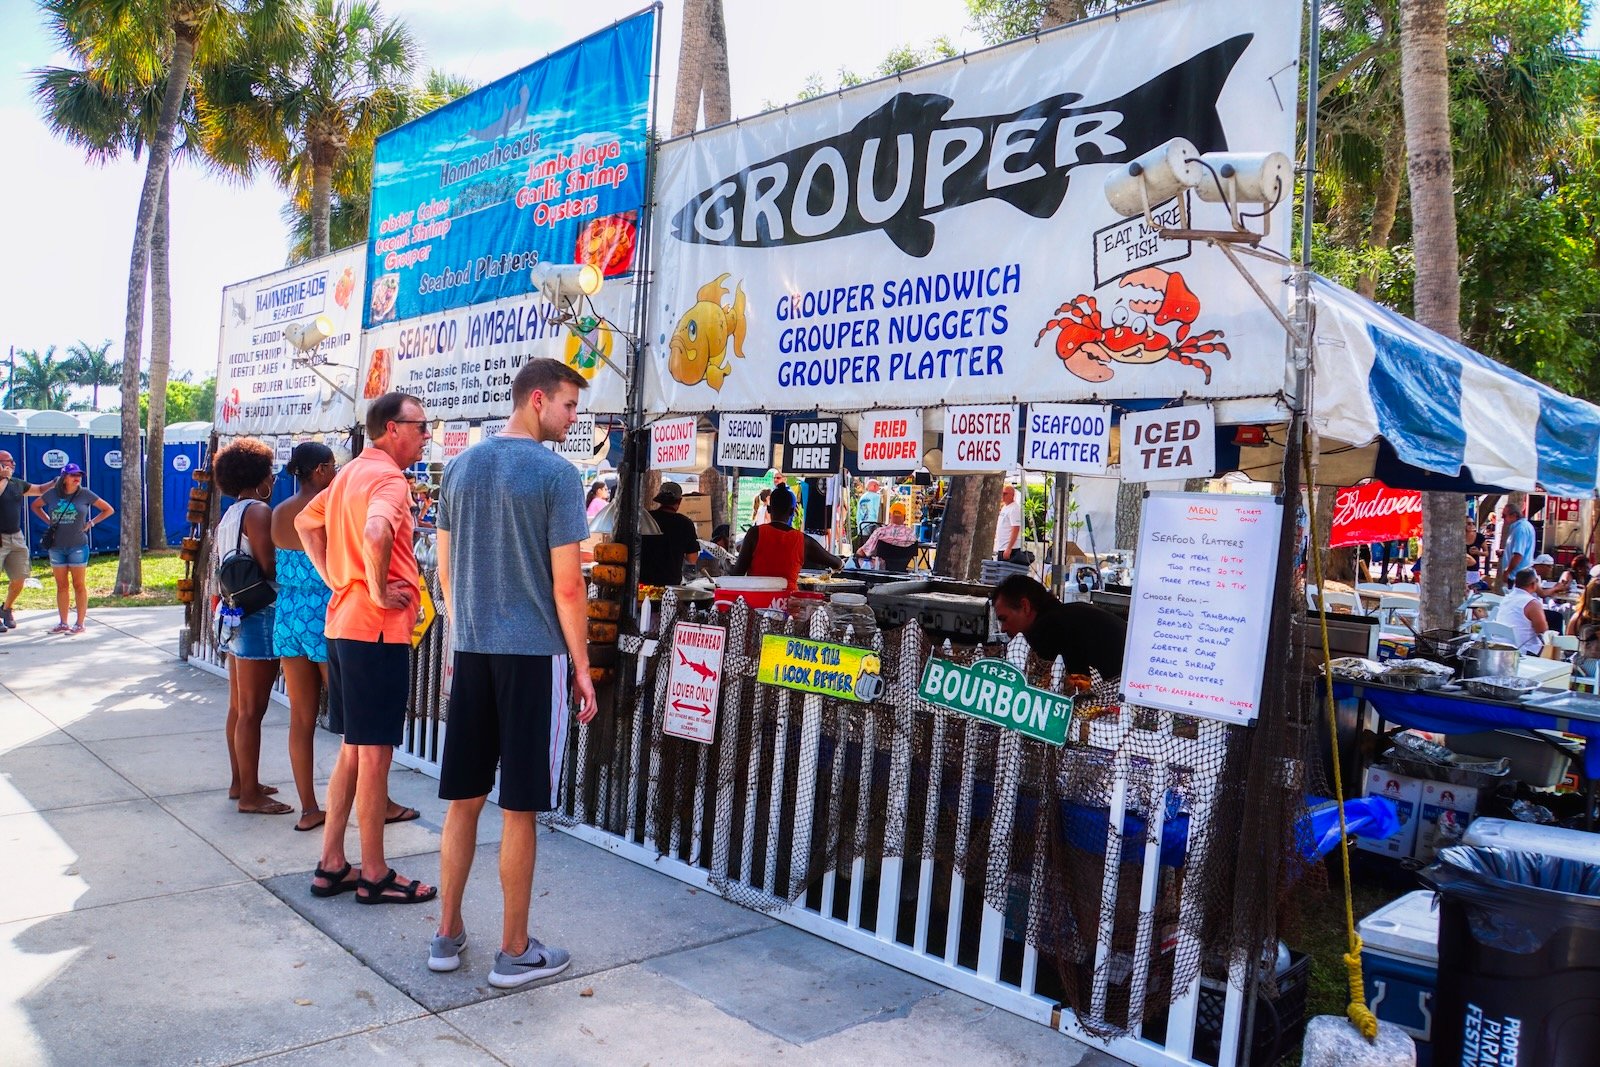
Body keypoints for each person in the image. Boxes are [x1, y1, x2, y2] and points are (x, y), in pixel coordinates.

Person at [432, 358, 597, 986]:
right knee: (520, 808)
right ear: (538, 399)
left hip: (472, 650)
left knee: (463, 801)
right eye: (569, 406)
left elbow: (445, 572)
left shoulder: (460, 466)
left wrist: (460, 633)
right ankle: (514, 949)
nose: (573, 419)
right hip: (533, 658)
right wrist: (582, 668)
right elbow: (569, 588)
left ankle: (445, 935)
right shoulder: (557, 474)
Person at [296, 392, 435, 905]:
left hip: (344, 625)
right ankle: (374, 873)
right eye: (420, 426)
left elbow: (305, 524)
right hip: (374, 629)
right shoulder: (388, 479)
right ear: (391, 429)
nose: (427, 436)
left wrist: (336, 574)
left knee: (356, 748)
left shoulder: (350, 472)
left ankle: (332, 862)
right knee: (374, 754)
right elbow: (376, 530)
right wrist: (375, 589)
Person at [211, 440, 290, 815]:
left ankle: (240, 782)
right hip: (257, 614)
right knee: (252, 710)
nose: (272, 476)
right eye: (269, 470)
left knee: (238, 706)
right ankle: (249, 797)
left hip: (233, 612)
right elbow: (269, 566)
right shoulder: (258, 511)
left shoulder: (231, 514)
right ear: (259, 476)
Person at [272, 443, 339, 832]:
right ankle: (376, 802)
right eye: (332, 466)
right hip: (325, 615)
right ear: (317, 470)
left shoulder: (279, 512)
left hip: (289, 616)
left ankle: (309, 808)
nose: (335, 472)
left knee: (301, 719)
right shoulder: (329, 509)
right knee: (352, 718)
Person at [31, 463, 113, 635]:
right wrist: (49, 522)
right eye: (72, 474)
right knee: (61, 586)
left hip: (77, 546)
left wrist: (91, 523)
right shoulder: (52, 494)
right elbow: (35, 505)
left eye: (79, 475)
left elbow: (108, 509)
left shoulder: (85, 494)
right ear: (64, 478)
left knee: (79, 584)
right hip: (56, 547)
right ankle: (63, 622)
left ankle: (80, 623)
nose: (77, 478)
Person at [991, 574, 1127, 678]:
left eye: (1004, 619)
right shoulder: (1069, 614)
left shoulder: (1048, 629)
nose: (1003, 628)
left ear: (1025, 606)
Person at [730, 484, 840, 588]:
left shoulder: (754, 533)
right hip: (789, 602)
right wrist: (841, 563)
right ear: (792, 511)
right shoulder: (803, 540)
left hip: (756, 599)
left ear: (769, 509)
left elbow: (737, 573)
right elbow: (835, 562)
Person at [0, 451, 56, 632]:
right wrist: (2, 479)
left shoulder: (17, 483)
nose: (13, 464)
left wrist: (55, 482)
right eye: (9, 461)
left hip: (16, 536)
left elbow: (39, 490)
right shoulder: (4, 481)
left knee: (20, 577)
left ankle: (6, 608)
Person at [638, 481, 700, 586]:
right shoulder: (685, 523)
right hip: (670, 585)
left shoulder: (646, 518)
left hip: (643, 583)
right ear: (679, 501)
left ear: (660, 500)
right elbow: (692, 559)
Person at [1493, 569, 1549, 654]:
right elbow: (1542, 631)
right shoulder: (1532, 603)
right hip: (1523, 649)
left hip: (1501, 645)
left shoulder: (1507, 598)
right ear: (1534, 584)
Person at [854, 500, 916, 567]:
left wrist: (857, 553)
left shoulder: (881, 532)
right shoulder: (911, 534)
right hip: (902, 571)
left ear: (890, 515)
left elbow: (864, 552)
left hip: (882, 571)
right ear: (904, 517)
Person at [1496, 497, 1535, 592]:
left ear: (1514, 515)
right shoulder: (1522, 526)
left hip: (1517, 577)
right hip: (1520, 575)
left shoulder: (1520, 529)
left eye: (1504, 516)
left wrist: (1507, 571)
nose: (1503, 518)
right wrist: (1505, 553)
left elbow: (1518, 555)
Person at [994, 484, 1024, 563]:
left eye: (1005, 493)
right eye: (1002, 493)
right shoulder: (1005, 507)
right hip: (1001, 546)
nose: (1003, 496)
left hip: (1010, 548)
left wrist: (1009, 548)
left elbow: (1015, 529)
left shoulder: (1014, 509)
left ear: (1012, 495)